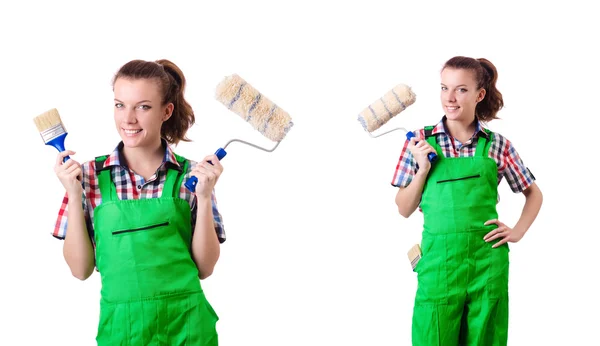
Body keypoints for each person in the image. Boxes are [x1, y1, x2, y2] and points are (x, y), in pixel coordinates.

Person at [52, 59, 225, 345]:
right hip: (123, 331)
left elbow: (205, 268)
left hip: (188, 327)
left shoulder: (193, 178)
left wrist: (204, 198)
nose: (128, 118)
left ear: (166, 111)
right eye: (120, 105)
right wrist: (73, 194)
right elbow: (80, 270)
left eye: (143, 106)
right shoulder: (87, 176)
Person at [392, 56, 543, 345]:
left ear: (479, 94)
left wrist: (517, 231)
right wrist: (422, 168)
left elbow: (533, 193)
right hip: (439, 264)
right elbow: (403, 208)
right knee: (432, 336)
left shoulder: (498, 145)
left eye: (461, 89)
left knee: (485, 338)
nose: (449, 98)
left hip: (486, 262)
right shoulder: (419, 142)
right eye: (444, 88)